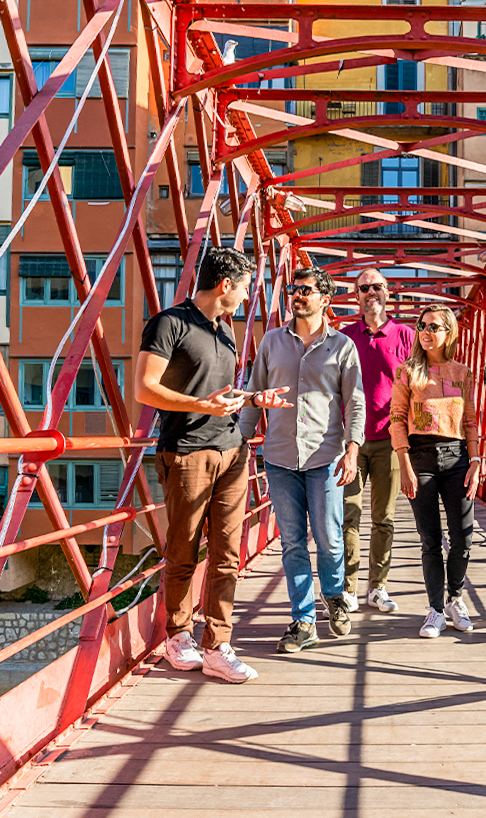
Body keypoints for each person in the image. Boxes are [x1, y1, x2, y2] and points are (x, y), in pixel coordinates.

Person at [134, 246, 289, 684]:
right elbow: (145, 389)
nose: (244, 299)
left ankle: (218, 644)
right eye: (242, 290)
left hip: (233, 450)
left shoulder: (225, 331)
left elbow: (220, 394)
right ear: (225, 285)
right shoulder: (169, 324)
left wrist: (255, 399)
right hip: (186, 451)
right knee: (183, 550)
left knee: (227, 554)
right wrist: (199, 404)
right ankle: (177, 635)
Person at [239, 266, 365, 653]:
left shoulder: (342, 346)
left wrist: (353, 448)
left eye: (306, 290)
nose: (297, 295)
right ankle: (303, 620)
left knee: (329, 539)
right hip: (278, 457)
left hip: (325, 457)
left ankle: (335, 595)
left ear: (325, 299)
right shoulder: (272, 341)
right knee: (292, 542)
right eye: (294, 289)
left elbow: (355, 401)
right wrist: (241, 438)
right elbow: (254, 391)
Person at [389, 304, 480, 639]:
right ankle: (435, 610)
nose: (426, 332)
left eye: (434, 327)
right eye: (422, 326)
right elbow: (397, 419)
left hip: (457, 458)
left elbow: (470, 420)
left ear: (449, 332)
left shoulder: (462, 372)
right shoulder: (407, 372)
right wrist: (405, 465)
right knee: (430, 540)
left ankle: (456, 598)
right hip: (421, 459)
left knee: (463, 539)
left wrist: (476, 461)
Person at [340, 269, 415, 613]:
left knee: (384, 518)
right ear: (356, 295)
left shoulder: (405, 336)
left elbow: (422, 385)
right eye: (364, 288)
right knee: (349, 515)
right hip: (350, 442)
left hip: (390, 440)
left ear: (388, 293)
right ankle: (349, 588)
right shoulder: (344, 337)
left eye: (377, 287)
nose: (371, 292)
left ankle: (378, 587)